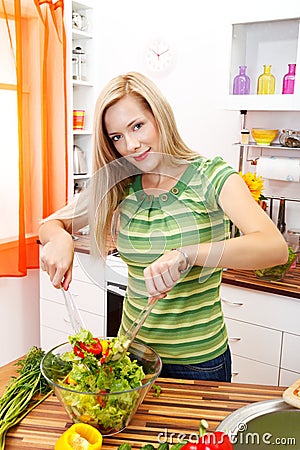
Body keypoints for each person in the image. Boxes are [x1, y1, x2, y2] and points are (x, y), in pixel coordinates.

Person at [39, 72, 288, 382]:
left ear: (160, 116)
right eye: (116, 136)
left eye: (137, 126)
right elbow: (50, 224)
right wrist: (60, 239)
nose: (130, 144)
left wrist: (186, 253)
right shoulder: (121, 183)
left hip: (198, 364)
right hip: (131, 356)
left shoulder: (210, 176)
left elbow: (274, 247)